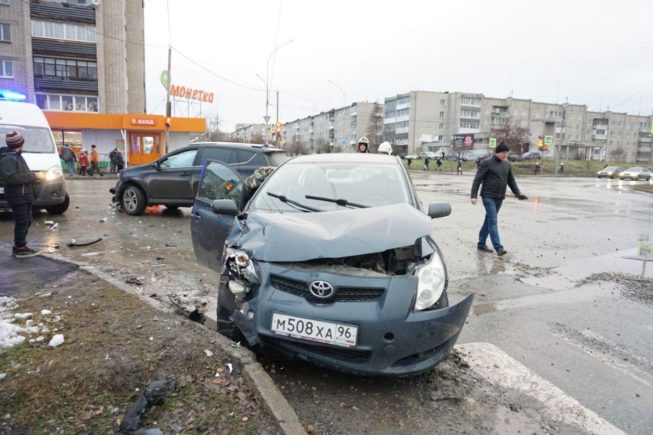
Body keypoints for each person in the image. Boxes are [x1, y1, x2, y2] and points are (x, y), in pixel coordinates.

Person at [470, 142, 528, 256]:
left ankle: (481, 243)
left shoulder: (507, 165)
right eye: (504, 153)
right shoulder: (486, 163)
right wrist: (473, 196)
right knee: (493, 221)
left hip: (499, 197)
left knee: (489, 220)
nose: (506, 155)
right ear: (497, 152)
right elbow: (477, 179)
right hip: (488, 196)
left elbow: (511, 180)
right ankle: (499, 248)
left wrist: (518, 193)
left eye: (507, 153)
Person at [0, 132, 40, 258]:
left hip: (24, 194)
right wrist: (33, 176)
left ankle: (21, 245)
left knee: (27, 220)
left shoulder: (16, 156)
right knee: (22, 221)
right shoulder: (8, 158)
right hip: (18, 195)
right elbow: (10, 178)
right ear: (19, 143)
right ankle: (20, 248)